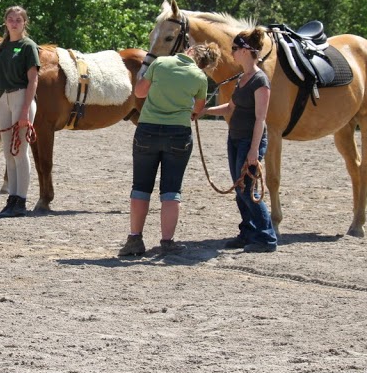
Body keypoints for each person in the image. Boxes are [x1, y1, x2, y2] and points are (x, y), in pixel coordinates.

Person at [118, 43, 221, 258]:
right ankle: (167, 242)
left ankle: (135, 239)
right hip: (178, 134)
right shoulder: (200, 78)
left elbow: (139, 92)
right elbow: (198, 109)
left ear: (191, 50)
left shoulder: (161, 62)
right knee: (172, 190)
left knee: (140, 187)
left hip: (147, 130)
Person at [196, 27, 278, 253]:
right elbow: (231, 107)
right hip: (235, 138)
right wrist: (205, 111)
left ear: (245, 51)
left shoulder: (260, 81)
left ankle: (266, 237)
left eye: (234, 48)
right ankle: (247, 231)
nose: (231, 52)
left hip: (249, 141)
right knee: (240, 188)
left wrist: (254, 150)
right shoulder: (243, 78)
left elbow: (261, 119)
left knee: (247, 189)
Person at [0, 6, 41, 218]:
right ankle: (12, 198)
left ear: (24, 23)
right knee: (8, 152)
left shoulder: (28, 46)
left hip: (22, 97)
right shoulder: (2, 47)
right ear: (5, 22)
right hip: (5, 98)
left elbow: (33, 79)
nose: (14, 23)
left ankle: (20, 200)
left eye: (18, 20)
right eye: (10, 19)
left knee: (20, 152)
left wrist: (24, 112)